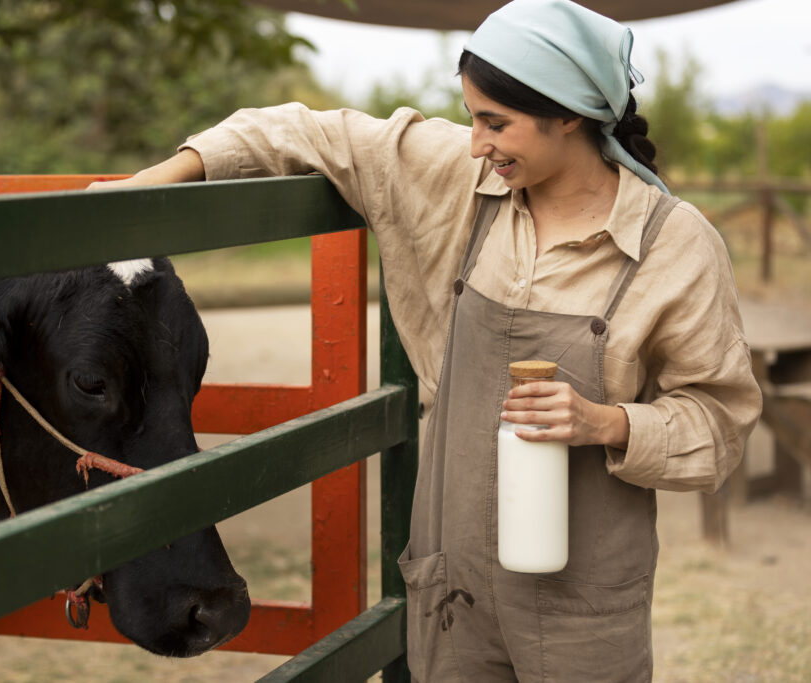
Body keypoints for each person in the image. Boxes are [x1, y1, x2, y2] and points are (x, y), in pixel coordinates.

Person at [90, 0, 762, 679]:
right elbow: (302, 131)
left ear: (569, 114)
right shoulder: (456, 184)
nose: (477, 143)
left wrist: (608, 422)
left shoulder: (675, 247)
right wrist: (147, 190)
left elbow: (720, 424)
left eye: (496, 122)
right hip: (455, 594)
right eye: (472, 118)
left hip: (585, 607)